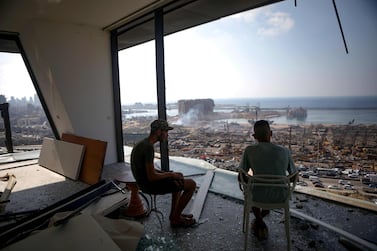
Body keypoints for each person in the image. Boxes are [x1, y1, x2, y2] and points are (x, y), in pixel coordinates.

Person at [130, 119, 197, 228]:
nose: (167, 135)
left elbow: (148, 170)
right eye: (166, 132)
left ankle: (175, 214)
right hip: (149, 185)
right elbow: (152, 177)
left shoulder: (143, 144)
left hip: (143, 182)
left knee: (178, 177)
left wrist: (167, 173)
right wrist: (170, 175)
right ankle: (175, 219)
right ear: (158, 132)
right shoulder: (148, 148)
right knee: (191, 184)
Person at [238, 120, 298, 240]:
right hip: (280, 196)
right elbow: (294, 177)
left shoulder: (249, 150)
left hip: (257, 196)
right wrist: (278, 179)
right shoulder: (285, 151)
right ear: (271, 133)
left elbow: (241, 177)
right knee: (266, 188)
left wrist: (253, 180)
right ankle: (260, 220)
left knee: (252, 189)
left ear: (254, 137)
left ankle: (258, 221)